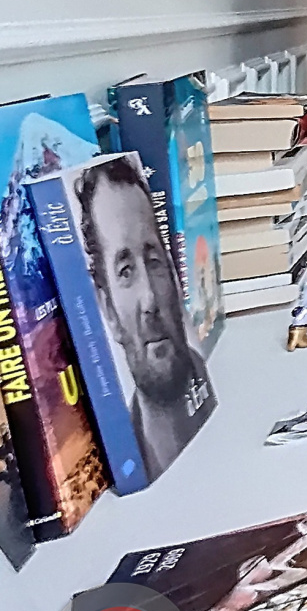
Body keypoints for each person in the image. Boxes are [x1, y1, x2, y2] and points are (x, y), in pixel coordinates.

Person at [74, 157, 214, 479]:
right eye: (125, 271)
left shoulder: (210, 391)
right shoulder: (126, 458)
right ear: (108, 310)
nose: (150, 298)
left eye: (154, 261)